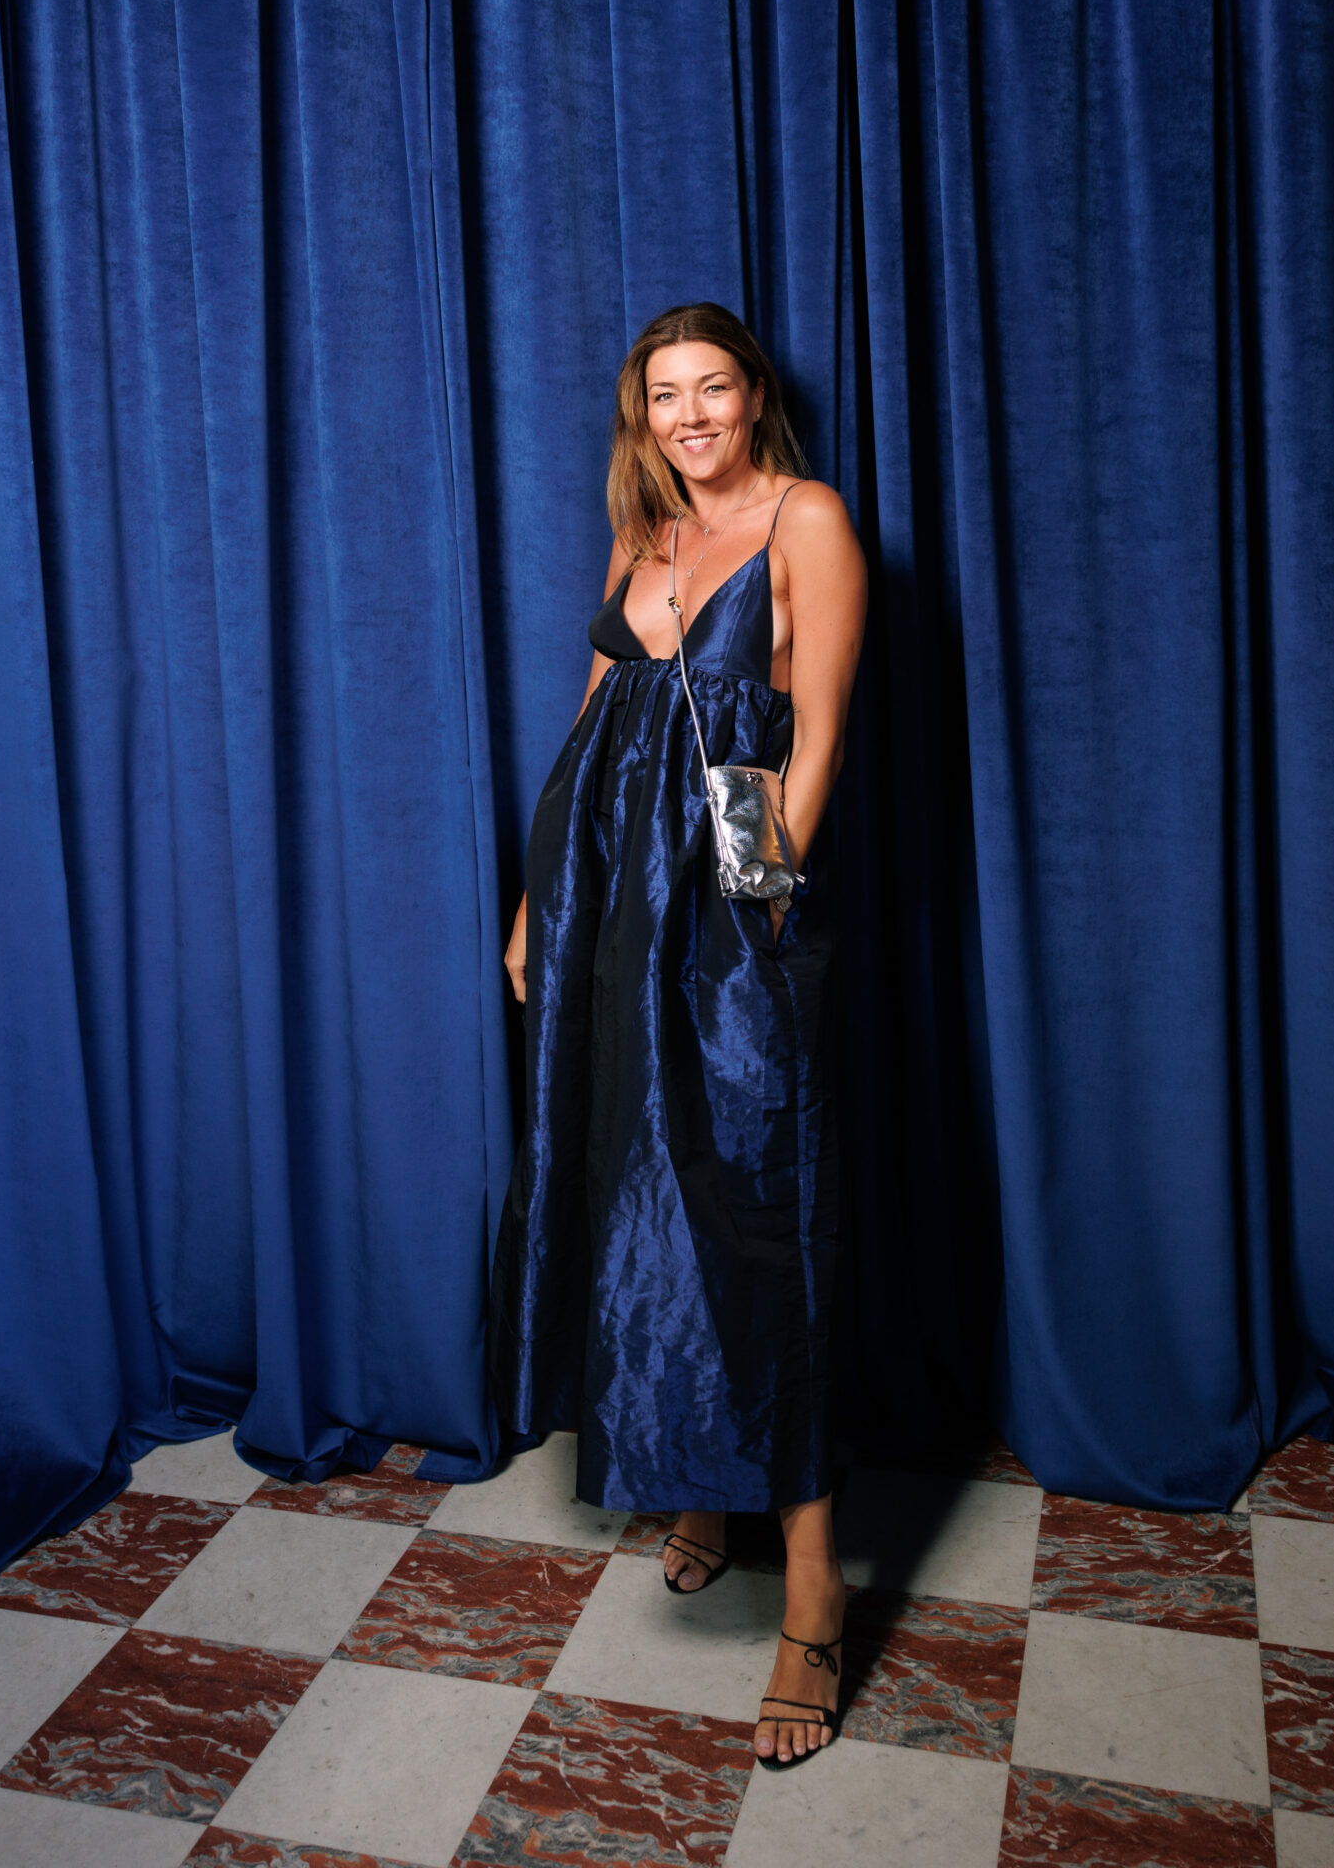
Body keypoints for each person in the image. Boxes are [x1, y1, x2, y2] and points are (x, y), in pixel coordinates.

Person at [488, 301, 867, 1765]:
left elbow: (814, 734)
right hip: (605, 907)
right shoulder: (643, 535)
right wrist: (539, 905)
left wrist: (761, 910)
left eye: (714, 388)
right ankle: (699, 1484)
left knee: (757, 1210)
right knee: (637, 1196)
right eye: (666, 395)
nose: (692, 415)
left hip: (726, 899)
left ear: (755, 395)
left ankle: (817, 1596)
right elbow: (593, 717)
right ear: (640, 415)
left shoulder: (804, 519)